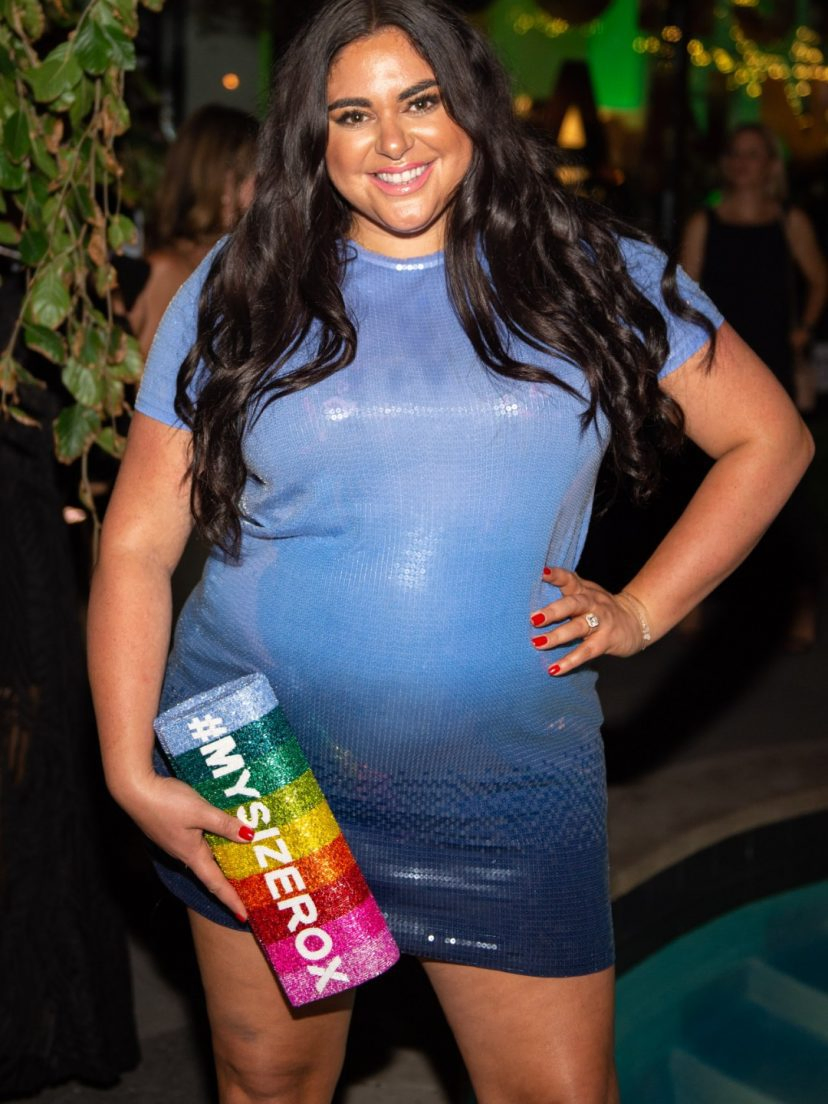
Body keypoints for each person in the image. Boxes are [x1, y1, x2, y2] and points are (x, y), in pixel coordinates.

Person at [87, 3, 813, 1102]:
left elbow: (770, 439)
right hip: (268, 772)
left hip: (505, 785)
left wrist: (642, 609)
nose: (392, 140)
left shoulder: (589, 268)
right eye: (352, 113)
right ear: (315, 137)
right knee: (272, 1079)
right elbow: (140, 542)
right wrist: (127, 771)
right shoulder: (247, 282)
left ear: (471, 105)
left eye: (420, 100)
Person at [680, 123, 826, 649]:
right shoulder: (704, 222)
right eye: (735, 153)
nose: (742, 162)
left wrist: (803, 329)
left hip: (775, 365)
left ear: (771, 166)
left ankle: (800, 600)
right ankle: (693, 596)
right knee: (704, 483)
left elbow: (819, 279)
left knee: (787, 489)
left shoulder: (790, 221)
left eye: (754, 154)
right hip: (717, 369)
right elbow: (682, 294)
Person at [127, 103, 259, 357]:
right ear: (225, 183)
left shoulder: (228, 266)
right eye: (258, 177)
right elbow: (148, 377)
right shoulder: (168, 271)